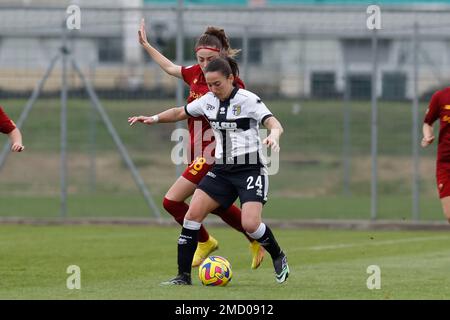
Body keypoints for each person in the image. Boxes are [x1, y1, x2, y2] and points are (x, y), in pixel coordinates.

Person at [129, 57, 289, 285]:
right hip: (222, 169)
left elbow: (274, 123)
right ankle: (183, 277)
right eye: (209, 84)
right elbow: (178, 112)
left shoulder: (248, 100)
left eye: (217, 84)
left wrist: (273, 135)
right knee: (192, 215)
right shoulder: (208, 100)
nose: (213, 89)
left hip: (250, 168)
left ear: (231, 79)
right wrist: (152, 118)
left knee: (250, 224)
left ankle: (278, 255)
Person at [138, 19, 265, 268]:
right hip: (197, 149)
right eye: (201, 59)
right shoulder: (195, 75)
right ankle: (252, 238)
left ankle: (207, 241)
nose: (205, 64)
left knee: (172, 201)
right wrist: (146, 45)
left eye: (209, 59)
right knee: (216, 205)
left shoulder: (231, 83)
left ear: (222, 56)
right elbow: (169, 67)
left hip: (214, 152)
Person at [422, 87, 450, 223]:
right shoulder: (440, 96)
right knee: (449, 215)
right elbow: (428, 123)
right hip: (445, 163)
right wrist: (428, 135)